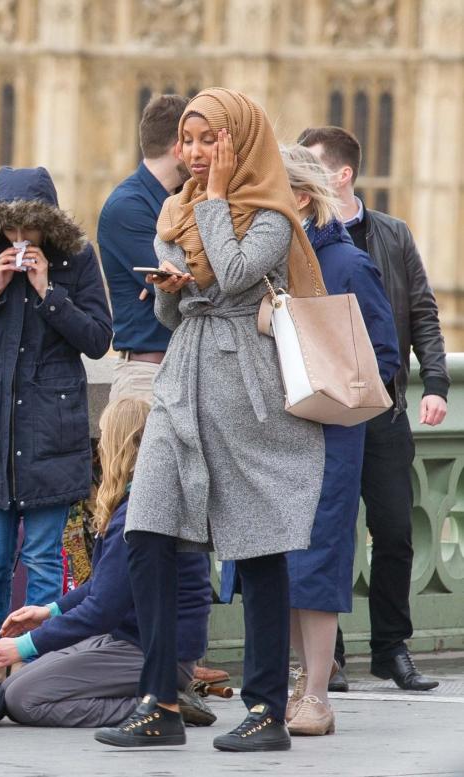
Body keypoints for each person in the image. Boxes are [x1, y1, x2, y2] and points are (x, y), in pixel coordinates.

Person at [94, 88, 326, 754]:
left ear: (238, 142)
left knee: (256, 547)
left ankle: (266, 708)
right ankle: (160, 698)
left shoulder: (273, 213)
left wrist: (218, 198)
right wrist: (169, 291)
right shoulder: (180, 208)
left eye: (208, 141)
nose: (194, 154)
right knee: (147, 530)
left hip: (246, 385)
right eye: (187, 142)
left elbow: (232, 275)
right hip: (183, 377)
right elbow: (185, 308)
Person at [219, 146, 401, 736]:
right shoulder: (266, 263)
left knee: (316, 564)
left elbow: (383, 356)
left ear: (298, 197)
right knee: (275, 562)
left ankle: (317, 692)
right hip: (269, 434)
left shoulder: (346, 263)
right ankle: (296, 680)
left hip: (325, 435)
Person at [299, 125, 448, 693]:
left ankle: (391, 648)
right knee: (326, 536)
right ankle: (327, 657)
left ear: (342, 175)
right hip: (323, 410)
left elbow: (424, 313)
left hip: (383, 408)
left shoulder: (393, 234)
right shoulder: (297, 242)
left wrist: (435, 381)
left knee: (394, 531)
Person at [0, 167, 113, 648]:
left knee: (42, 558)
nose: (18, 239)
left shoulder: (76, 259)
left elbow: (98, 339)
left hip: (50, 435)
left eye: (28, 228)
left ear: (47, 225)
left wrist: (47, 292)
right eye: (9, 229)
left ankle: (36, 659)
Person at [0, 398, 213, 729]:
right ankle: (157, 698)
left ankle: (161, 705)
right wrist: (50, 611)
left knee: (24, 698)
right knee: (11, 687)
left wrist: (22, 646)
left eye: (102, 435)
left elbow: (103, 608)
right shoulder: (138, 500)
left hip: (156, 652)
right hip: (129, 640)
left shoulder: (142, 511)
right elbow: (106, 587)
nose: (98, 448)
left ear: (120, 443)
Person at [99, 94, 189, 402]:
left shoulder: (183, 200)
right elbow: (185, 285)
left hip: (185, 372)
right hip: (147, 377)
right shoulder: (128, 207)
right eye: (195, 142)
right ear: (180, 148)